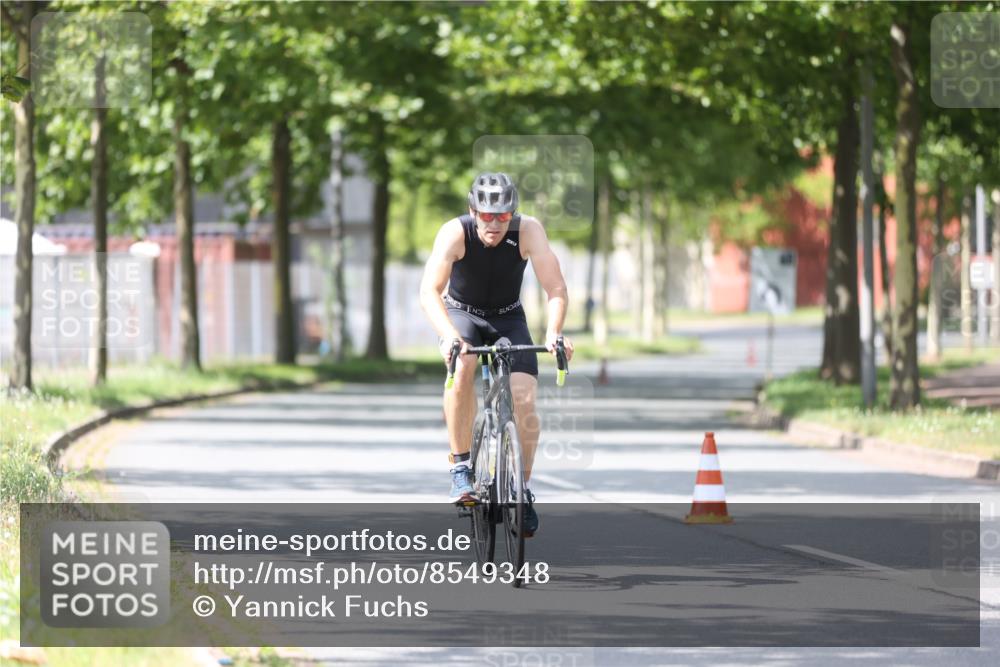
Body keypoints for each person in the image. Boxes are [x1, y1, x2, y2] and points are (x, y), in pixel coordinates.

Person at [419, 172, 574, 536]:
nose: (493, 224)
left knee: (524, 397)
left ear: (512, 214)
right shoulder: (455, 232)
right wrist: (449, 337)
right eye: (486, 215)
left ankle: (521, 490)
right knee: (464, 364)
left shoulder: (529, 231)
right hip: (462, 314)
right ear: (473, 211)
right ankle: (460, 467)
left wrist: (554, 333)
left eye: (502, 216)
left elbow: (556, 287)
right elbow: (430, 291)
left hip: (508, 318)